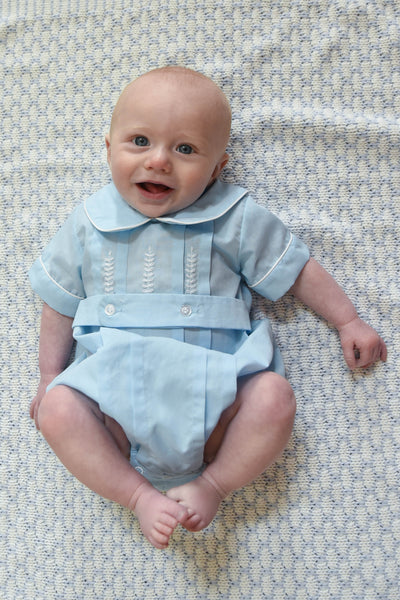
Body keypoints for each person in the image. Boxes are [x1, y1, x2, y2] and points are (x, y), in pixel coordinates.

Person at [29, 66, 387, 550]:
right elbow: (58, 301)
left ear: (217, 169)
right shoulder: (88, 223)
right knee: (56, 410)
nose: (159, 161)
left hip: (220, 397)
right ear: (108, 148)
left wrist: (347, 319)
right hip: (111, 406)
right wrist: (50, 375)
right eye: (140, 141)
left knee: (274, 397)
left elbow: (296, 269)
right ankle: (137, 495)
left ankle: (214, 484)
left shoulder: (232, 218)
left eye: (185, 149)